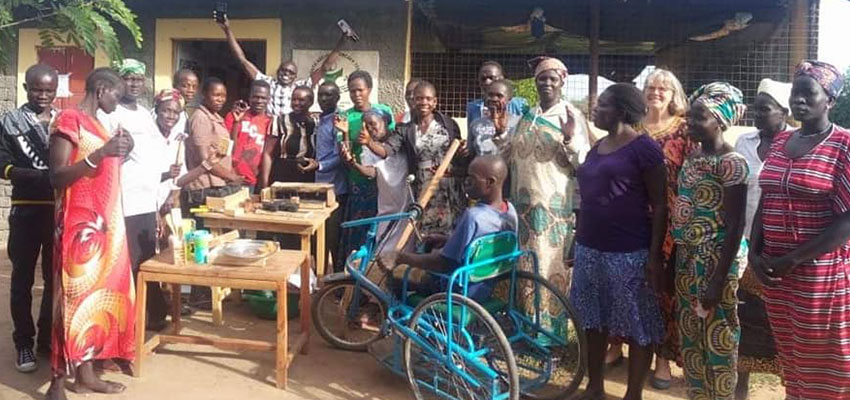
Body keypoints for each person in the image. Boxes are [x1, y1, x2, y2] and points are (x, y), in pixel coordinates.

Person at [750, 60, 850, 400]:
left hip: (819, 274)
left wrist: (794, 259)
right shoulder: (781, 142)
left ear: (830, 101)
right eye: (796, 94)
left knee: (825, 356)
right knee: (791, 352)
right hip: (776, 273)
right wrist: (754, 251)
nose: (799, 101)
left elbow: (847, 221)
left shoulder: (844, 145)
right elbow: (767, 197)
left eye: (809, 94)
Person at [571, 83, 666, 400]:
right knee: (593, 320)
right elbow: (586, 198)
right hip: (589, 248)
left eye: (602, 106)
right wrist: (576, 239)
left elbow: (661, 204)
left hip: (629, 252)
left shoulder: (645, 149)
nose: (595, 111)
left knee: (638, 324)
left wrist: (654, 256)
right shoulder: (597, 147)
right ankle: (595, 386)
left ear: (621, 111)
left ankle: (633, 394)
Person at [46, 67, 135, 399]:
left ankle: (85, 375)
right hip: (76, 229)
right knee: (67, 301)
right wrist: (102, 153)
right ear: (101, 90)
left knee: (91, 303)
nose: (119, 101)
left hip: (102, 231)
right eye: (117, 94)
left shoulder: (98, 125)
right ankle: (57, 381)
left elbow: (97, 173)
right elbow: (57, 176)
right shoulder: (69, 120)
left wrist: (120, 151)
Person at [606, 68, 694, 388]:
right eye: (650, 87)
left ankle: (663, 358)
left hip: (668, 221)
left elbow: (693, 175)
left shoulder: (685, 130)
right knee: (624, 283)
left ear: (674, 96)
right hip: (627, 219)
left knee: (661, 289)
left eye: (663, 88)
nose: (655, 92)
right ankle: (617, 345)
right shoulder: (632, 127)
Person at [673, 82, 749, 400]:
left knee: (718, 339)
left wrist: (718, 280)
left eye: (699, 118)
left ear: (720, 120)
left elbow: (734, 226)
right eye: (690, 117)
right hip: (687, 261)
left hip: (716, 262)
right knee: (691, 340)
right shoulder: (692, 157)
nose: (690, 124)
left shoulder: (731, 163)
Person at [510, 57, 592, 295]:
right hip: (522, 210)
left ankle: (550, 329)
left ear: (561, 82)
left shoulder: (570, 115)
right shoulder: (527, 116)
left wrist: (569, 138)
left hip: (552, 210)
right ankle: (526, 326)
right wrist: (498, 134)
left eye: (552, 79)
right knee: (524, 269)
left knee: (548, 269)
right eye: (541, 78)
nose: (547, 83)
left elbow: (583, 163)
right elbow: (510, 155)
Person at [99, 59, 169, 330]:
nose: (134, 84)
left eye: (139, 80)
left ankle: (150, 314)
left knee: (146, 258)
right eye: (128, 79)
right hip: (124, 199)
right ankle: (126, 321)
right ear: (118, 81)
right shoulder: (111, 113)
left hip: (146, 199)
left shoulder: (144, 112)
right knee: (126, 260)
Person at [385, 154, 517, 299]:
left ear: (490, 182)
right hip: (486, 285)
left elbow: (442, 264)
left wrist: (400, 257)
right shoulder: (510, 211)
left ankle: (399, 317)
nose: (466, 182)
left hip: (457, 288)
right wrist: (448, 239)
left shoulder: (473, 217)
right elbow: (478, 243)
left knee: (397, 275)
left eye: (471, 179)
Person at [733, 78, 789, 399]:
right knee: (746, 315)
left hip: (782, 248)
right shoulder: (744, 142)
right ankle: (741, 386)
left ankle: (788, 387)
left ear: (783, 112)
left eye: (765, 109)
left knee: (781, 322)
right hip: (745, 244)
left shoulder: (798, 143)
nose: (758, 114)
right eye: (756, 108)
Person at [0, 64, 57, 372]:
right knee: (22, 279)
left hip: (58, 211)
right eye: (37, 89)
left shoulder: (65, 122)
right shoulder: (9, 122)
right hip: (25, 211)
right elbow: (2, 165)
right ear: (25, 88)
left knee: (53, 279)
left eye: (49, 90)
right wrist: (40, 176)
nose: (43, 95)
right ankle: (24, 342)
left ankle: (46, 339)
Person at [376, 81, 463, 240]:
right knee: (425, 236)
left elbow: (458, 155)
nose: (424, 102)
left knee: (452, 236)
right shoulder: (405, 129)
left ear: (435, 102)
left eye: (428, 99)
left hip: (449, 189)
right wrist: (368, 142)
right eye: (419, 98)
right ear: (413, 100)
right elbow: (386, 151)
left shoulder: (448, 125)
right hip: (423, 190)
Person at [218, 15, 349, 116]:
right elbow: (242, 60)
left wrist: (343, 40)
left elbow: (325, 67)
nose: (286, 74)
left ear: (295, 76)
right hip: (270, 132)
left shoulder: (301, 87)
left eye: (290, 72)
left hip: (291, 131)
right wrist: (227, 30)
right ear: (277, 71)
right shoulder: (267, 83)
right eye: (283, 70)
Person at [336, 70, 395, 258]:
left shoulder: (384, 111)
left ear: (369, 89)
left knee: (379, 231)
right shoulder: (345, 116)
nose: (356, 95)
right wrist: (345, 134)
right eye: (352, 91)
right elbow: (344, 151)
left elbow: (391, 143)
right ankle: (352, 275)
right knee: (358, 232)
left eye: (360, 90)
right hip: (357, 180)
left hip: (383, 182)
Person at [341, 109, 410, 250]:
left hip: (407, 204)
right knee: (384, 249)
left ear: (384, 121)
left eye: (372, 124)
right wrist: (353, 164)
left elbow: (386, 152)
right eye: (365, 126)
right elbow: (372, 173)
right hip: (387, 208)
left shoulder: (401, 140)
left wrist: (368, 144)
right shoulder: (368, 147)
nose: (370, 130)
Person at [298, 81, 347, 271]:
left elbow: (340, 155)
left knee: (334, 238)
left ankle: (337, 284)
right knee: (319, 237)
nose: (324, 99)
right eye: (321, 95)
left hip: (335, 188)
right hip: (318, 187)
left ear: (337, 98)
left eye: (329, 95)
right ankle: (320, 280)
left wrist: (319, 164)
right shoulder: (321, 120)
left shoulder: (338, 120)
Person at [183, 77, 243, 214]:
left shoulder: (216, 117)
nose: (220, 99)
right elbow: (204, 160)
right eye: (216, 95)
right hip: (203, 189)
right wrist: (231, 177)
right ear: (204, 94)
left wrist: (236, 123)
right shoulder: (200, 118)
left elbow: (226, 151)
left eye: (223, 96)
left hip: (218, 186)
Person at [260, 86, 316, 187]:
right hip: (283, 174)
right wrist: (265, 183)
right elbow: (268, 153)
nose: (296, 103)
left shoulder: (315, 123)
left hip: (307, 174)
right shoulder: (279, 121)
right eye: (293, 99)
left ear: (310, 102)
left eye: (301, 100)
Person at [225, 79, 273, 191]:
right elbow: (226, 146)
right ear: (249, 97)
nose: (259, 101)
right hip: (231, 178)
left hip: (254, 181)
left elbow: (269, 155)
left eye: (263, 98)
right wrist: (237, 122)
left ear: (269, 100)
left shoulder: (270, 122)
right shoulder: (233, 116)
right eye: (256, 97)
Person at [465, 61, 528, 132]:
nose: (487, 82)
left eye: (492, 78)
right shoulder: (473, 108)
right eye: (483, 79)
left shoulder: (519, 105)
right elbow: (472, 138)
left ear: (502, 78)